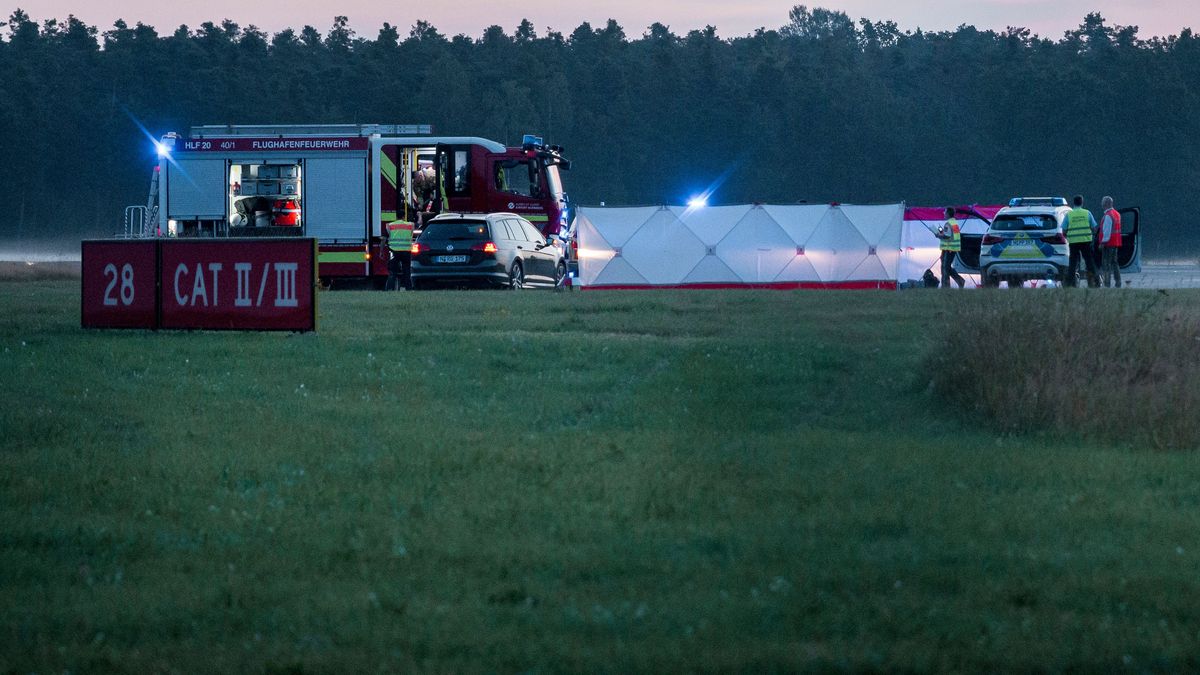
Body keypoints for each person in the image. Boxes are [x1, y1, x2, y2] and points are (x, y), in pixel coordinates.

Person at [1064, 194, 1100, 288]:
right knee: (1089, 262)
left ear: (1074, 203)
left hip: (1073, 242)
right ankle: (1096, 282)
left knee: (1072, 263)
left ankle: (1069, 284)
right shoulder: (1087, 213)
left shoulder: (1069, 214)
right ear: (1082, 202)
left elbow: (1064, 230)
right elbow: (1094, 228)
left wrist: (1068, 236)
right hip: (1085, 242)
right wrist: (1092, 237)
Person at [936, 207, 966, 289]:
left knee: (945, 267)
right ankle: (959, 281)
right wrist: (942, 232)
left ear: (948, 214)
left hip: (948, 249)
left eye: (945, 212)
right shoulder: (954, 223)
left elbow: (947, 236)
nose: (943, 214)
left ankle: (946, 286)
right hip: (952, 248)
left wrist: (938, 235)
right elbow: (950, 234)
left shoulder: (948, 223)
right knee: (947, 267)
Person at [1097, 195, 1123, 288]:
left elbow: (1106, 232)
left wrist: (1102, 243)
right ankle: (1118, 282)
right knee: (1115, 263)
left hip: (1108, 244)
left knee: (1106, 264)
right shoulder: (1117, 214)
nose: (1102, 205)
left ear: (1106, 204)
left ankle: (1107, 283)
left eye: (1103, 203)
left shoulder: (1108, 216)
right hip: (1116, 243)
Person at [384, 219, 413, 291]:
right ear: (404, 216)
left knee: (392, 272)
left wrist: (381, 250)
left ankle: (390, 289)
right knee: (407, 271)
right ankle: (408, 289)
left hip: (394, 251)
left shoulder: (390, 225)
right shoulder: (410, 225)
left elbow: (383, 239)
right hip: (406, 251)